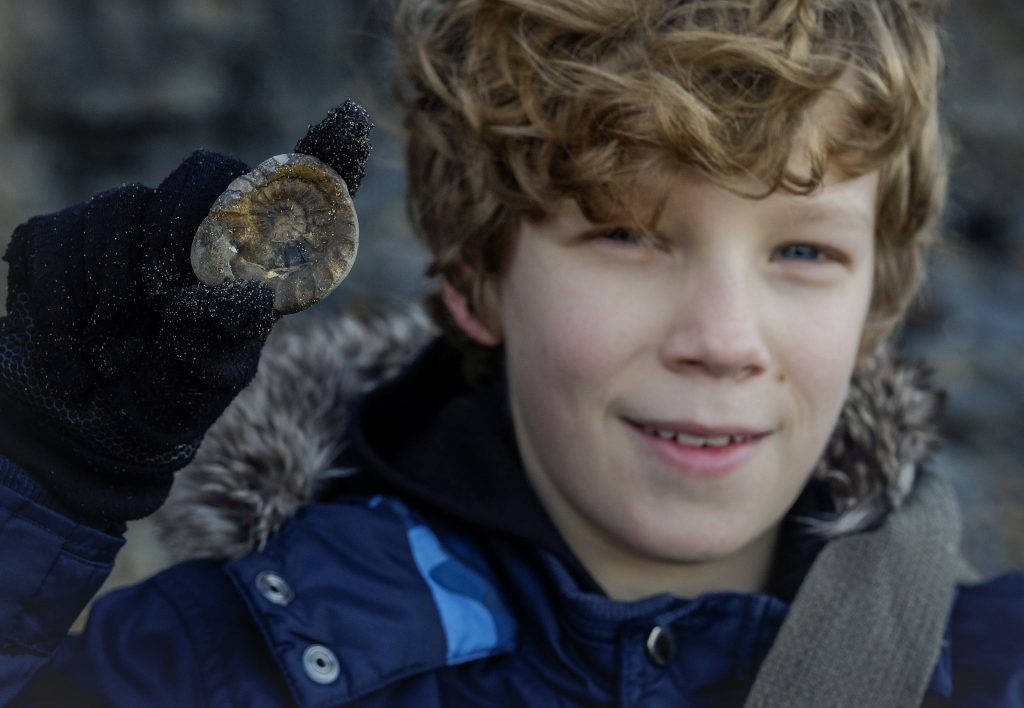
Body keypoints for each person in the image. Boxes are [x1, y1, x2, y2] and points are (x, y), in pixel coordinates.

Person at [1, 0, 1022, 705]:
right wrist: (41, 491)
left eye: (803, 250)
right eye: (625, 234)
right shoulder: (222, 665)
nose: (722, 341)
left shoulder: (990, 667)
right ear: (476, 277)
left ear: (880, 295)